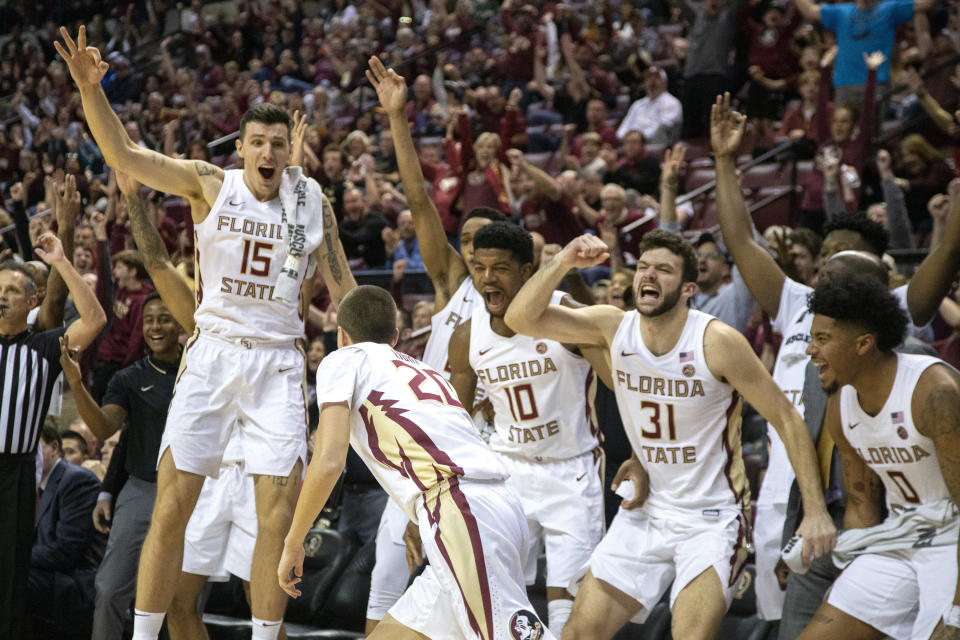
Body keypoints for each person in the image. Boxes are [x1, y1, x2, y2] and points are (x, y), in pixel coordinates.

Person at [56, 26, 356, 640]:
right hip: (214, 354)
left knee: (277, 515)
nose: (268, 152)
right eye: (258, 143)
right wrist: (93, 91)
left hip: (277, 363)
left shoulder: (311, 200)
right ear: (241, 149)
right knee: (173, 504)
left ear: (286, 151)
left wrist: (369, 353)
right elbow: (126, 156)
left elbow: (347, 293)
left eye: (278, 143)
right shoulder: (208, 183)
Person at [503, 231, 836, 640]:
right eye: (644, 266)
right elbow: (519, 319)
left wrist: (816, 510)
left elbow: (787, 419)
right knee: (578, 633)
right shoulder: (612, 326)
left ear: (687, 289)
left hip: (710, 519)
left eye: (664, 270)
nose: (649, 275)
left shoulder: (717, 342)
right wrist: (564, 261)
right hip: (646, 511)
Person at [710, 92, 959, 625]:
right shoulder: (797, 300)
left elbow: (949, 250)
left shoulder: (894, 312)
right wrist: (725, 162)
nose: (826, 277)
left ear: (879, 283)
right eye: (823, 265)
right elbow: (739, 239)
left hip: (879, 492)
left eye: (841, 269)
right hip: (796, 483)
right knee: (789, 620)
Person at [277, 285, 555, 640]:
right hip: (495, 505)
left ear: (341, 335)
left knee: (512, 634)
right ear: (395, 337)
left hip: (460, 508)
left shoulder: (343, 359)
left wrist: (293, 541)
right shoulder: (429, 372)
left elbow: (329, 460)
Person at [365, 56, 505, 633]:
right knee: (385, 573)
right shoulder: (454, 286)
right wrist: (398, 119)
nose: (469, 251)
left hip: (481, 460)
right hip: (419, 450)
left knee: (473, 593)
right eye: (463, 241)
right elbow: (420, 203)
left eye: (481, 242)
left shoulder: (520, 312)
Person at [447, 222, 610, 635]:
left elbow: (623, 389)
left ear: (526, 272)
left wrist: (642, 462)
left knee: (568, 612)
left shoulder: (568, 315)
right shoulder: (466, 336)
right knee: (498, 597)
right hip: (509, 472)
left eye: (499, 268)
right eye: (478, 267)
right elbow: (456, 424)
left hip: (571, 471)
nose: (486, 278)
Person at [798, 273, 960, 640]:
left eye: (822, 339)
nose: (810, 350)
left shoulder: (935, 394)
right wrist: (851, 578)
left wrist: (958, 611)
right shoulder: (841, 405)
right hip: (900, 537)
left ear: (864, 344)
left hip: (953, 541)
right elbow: (860, 502)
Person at [0, 232, 106, 640]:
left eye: (13, 290)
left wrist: (62, 261)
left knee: (10, 575)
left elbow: (95, 320)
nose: (4, 296)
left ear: (31, 303)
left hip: (15, 473)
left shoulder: (44, 347)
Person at [61, 290, 182, 640]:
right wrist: (76, 383)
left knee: (181, 598)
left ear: (182, 323)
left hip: (194, 493)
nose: (156, 326)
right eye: (149, 319)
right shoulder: (129, 378)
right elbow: (105, 428)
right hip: (142, 488)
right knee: (111, 588)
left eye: (165, 318)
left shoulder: (201, 371)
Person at [29, 426, 105, 636]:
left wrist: (14, 558)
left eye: (33, 449)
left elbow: (67, 552)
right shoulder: (29, 484)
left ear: (54, 448)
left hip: (74, 580)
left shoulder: (77, 480)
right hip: (46, 572)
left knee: (12, 579)